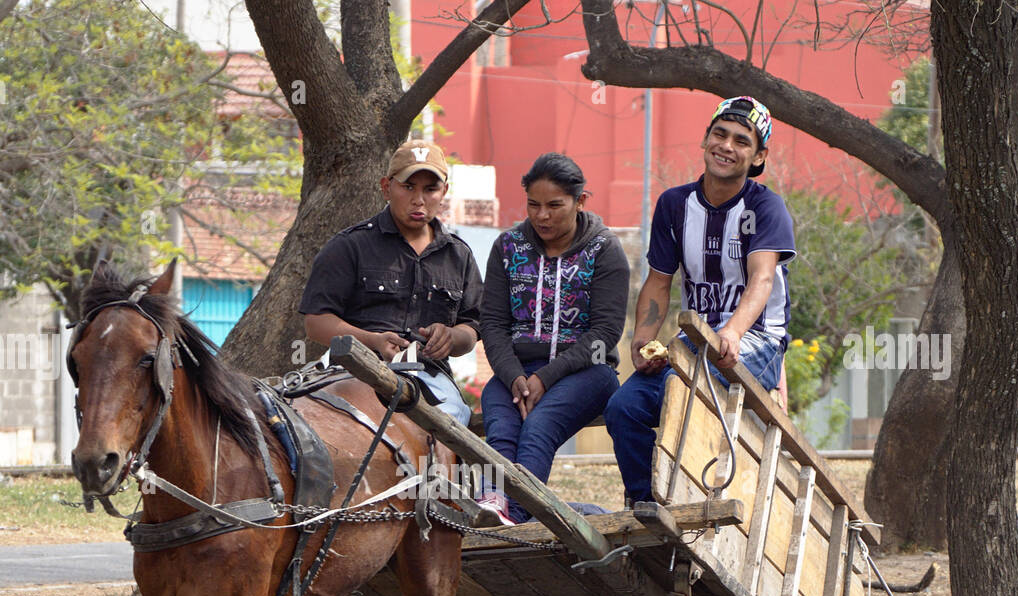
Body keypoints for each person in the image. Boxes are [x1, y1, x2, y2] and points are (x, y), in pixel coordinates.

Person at [605, 95, 795, 506]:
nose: (727, 146)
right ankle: (644, 509)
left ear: (759, 156)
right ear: (705, 139)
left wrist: (733, 331)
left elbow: (762, 279)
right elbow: (658, 282)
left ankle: (683, 504)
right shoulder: (674, 205)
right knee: (624, 407)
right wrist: (643, 340)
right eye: (719, 134)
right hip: (694, 343)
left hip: (754, 340)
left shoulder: (766, 208)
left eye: (742, 141)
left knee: (681, 388)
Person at [478, 153, 628, 523]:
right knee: (502, 430)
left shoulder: (605, 250)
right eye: (533, 205)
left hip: (586, 372)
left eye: (554, 206)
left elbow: (605, 334)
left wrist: (545, 378)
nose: (542, 216)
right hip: (513, 371)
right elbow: (493, 323)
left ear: (580, 202)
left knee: (538, 429)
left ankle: (515, 517)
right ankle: (492, 506)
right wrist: (514, 376)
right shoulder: (507, 247)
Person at [299, 140, 481, 426]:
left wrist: (451, 337)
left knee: (452, 432)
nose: (419, 199)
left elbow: (471, 328)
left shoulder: (459, 255)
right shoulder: (349, 246)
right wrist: (372, 340)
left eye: (430, 189)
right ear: (386, 187)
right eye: (408, 187)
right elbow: (316, 322)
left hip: (431, 379)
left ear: (443, 192)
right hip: (351, 372)